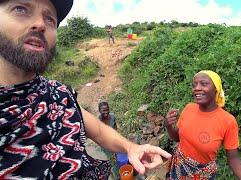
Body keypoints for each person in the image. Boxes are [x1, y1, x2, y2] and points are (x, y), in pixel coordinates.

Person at [0, 0, 171, 179]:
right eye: (20, 9)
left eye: (50, 19)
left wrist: (131, 147)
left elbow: (97, 130)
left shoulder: (60, 95)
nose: (40, 24)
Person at [164, 70, 241, 180]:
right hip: (178, 166)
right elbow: (177, 138)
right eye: (194, 85)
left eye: (204, 83)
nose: (197, 88)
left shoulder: (228, 121)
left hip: (202, 175)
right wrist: (168, 126)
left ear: (216, 89)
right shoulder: (189, 108)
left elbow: (233, 159)